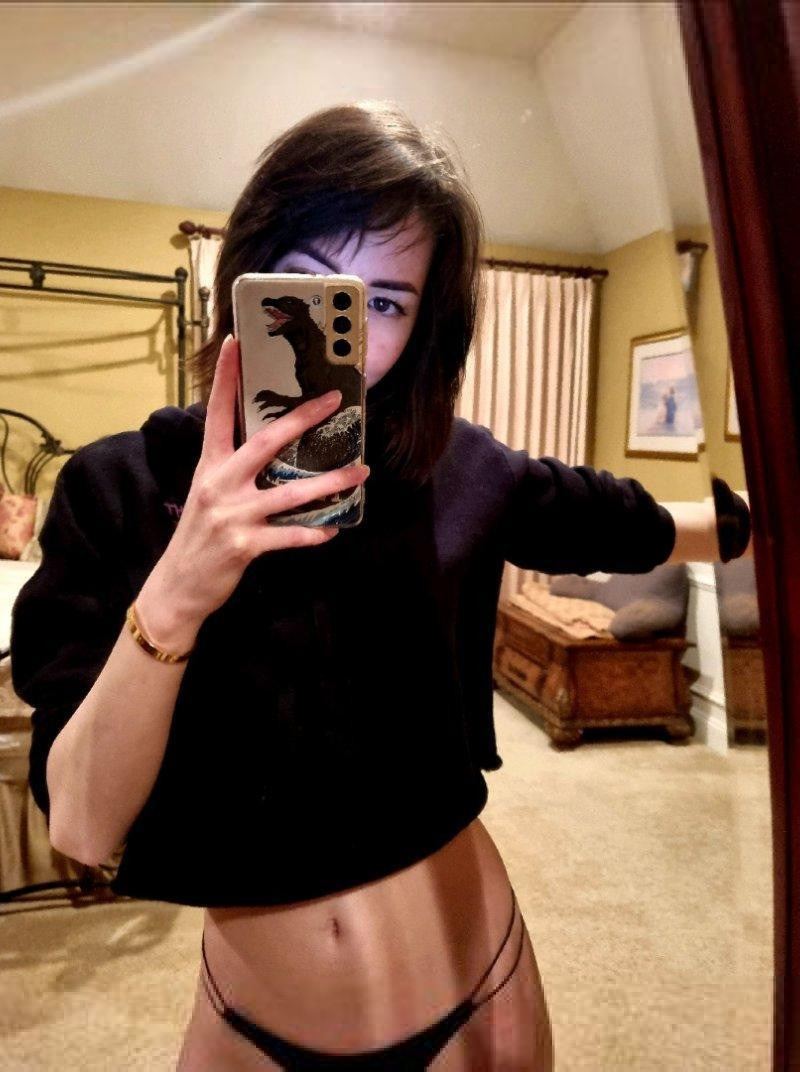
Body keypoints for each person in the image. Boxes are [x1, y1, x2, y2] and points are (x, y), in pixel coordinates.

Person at [11, 101, 751, 1072]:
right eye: (310, 285)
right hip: (251, 1027)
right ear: (245, 277)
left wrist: (751, 517)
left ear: (422, 324)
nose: (341, 334)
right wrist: (177, 592)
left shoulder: (459, 470)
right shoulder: (117, 488)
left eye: (386, 303)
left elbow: (629, 520)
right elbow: (80, 823)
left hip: (481, 986)